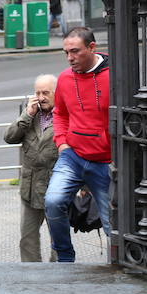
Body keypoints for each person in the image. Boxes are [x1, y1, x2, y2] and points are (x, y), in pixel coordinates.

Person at [44, 27, 111, 262]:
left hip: (105, 161)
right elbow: (60, 113)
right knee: (53, 202)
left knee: (112, 223)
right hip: (73, 156)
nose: (70, 58)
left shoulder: (113, 76)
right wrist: (62, 144)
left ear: (91, 48)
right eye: (66, 53)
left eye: (75, 51)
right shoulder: (65, 78)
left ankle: (119, 263)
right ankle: (64, 258)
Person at [4, 74, 59, 262]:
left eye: (46, 92)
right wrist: (27, 114)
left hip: (56, 190)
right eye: (37, 93)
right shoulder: (30, 116)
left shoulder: (65, 116)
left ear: (56, 93)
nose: (41, 97)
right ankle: (31, 275)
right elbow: (9, 137)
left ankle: (59, 275)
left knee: (59, 241)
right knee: (27, 239)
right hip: (30, 190)